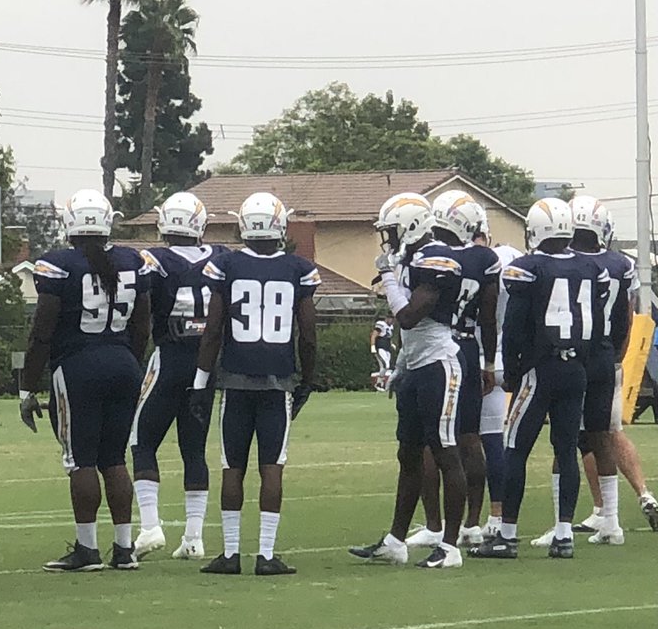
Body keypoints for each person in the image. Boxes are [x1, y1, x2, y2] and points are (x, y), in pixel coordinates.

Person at [19, 189, 152, 572]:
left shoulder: (59, 265)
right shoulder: (133, 261)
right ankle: (124, 549)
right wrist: (129, 360)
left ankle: (87, 548)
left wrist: (27, 386)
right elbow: (143, 325)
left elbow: (42, 333)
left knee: (81, 460)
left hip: (78, 367)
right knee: (114, 459)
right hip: (124, 363)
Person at [470, 198, 608, 560]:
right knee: (565, 450)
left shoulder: (527, 268)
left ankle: (507, 535)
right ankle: (564, 534)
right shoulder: (592, 268)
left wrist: (513, 370)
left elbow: (513, 327)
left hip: (540, 368)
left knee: (516, 448)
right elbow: (599, 323)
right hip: (577, 367)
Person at [191, 192, 319, 576]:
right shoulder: (299, 269)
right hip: (277, 381)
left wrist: (200, 383)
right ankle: (265, 555)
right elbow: (308, 335)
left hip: (234, 379)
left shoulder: (226, 265)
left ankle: (231, 555)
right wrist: (307, 381)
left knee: (233, 466)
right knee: (272, 467)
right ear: (280, 225)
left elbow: (213, 331)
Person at [349, 193, 467, 570]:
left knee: (446, 452)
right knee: (409, 454)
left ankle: (450, 546)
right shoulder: (410, 259)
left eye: (391, 230)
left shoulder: (437, 257)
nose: (388, 238)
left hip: (439, 364)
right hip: (415, 366)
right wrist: (400, 364)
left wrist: (387, 275)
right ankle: (395, 541)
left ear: (411, 224)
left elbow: (410, 317)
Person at [530, 196, 653, 546]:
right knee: (602, 436)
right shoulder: (620, 264)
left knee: (564, 440)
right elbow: (626, 318)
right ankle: (611, 520)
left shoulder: (568, 263)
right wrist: (617, 354)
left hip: (574, 355)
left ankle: (562, 523)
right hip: (605, 356)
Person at [130, 192, 228, 561]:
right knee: (194, 449)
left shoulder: (153, 260)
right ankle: (193, 536)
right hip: (207, 360)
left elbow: (141, 309)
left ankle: (151, 526)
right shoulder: (220, 257)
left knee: (142, 441)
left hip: (170, 357)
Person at [403, 191, 500, 549]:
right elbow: (488, 316)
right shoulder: (484, 258)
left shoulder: (429, 255)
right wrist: (489, 361)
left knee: (434, 441)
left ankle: (435, 524)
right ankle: (472, 523)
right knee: (469, 438)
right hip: (469, 345)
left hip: (438, 348)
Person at [479, 235, 524, 539]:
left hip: (487, 355)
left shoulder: (488, 266)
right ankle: (495, 516)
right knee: (498, 439)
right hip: (514, 354)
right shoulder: (516, 262)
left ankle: (492, 517)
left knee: (485, 437)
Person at [370, 315, 394, 392]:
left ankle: (379, 384)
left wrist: (391, 344)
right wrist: (373, 346)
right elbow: (374, 335)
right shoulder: (381, 324)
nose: (392, 321)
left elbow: (388, 337)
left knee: (383, 368)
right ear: (386, 318)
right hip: (380, 348)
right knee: (386, 365)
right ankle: (381, 383)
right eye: (390, 319)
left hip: (387, 348)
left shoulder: (391, 327)